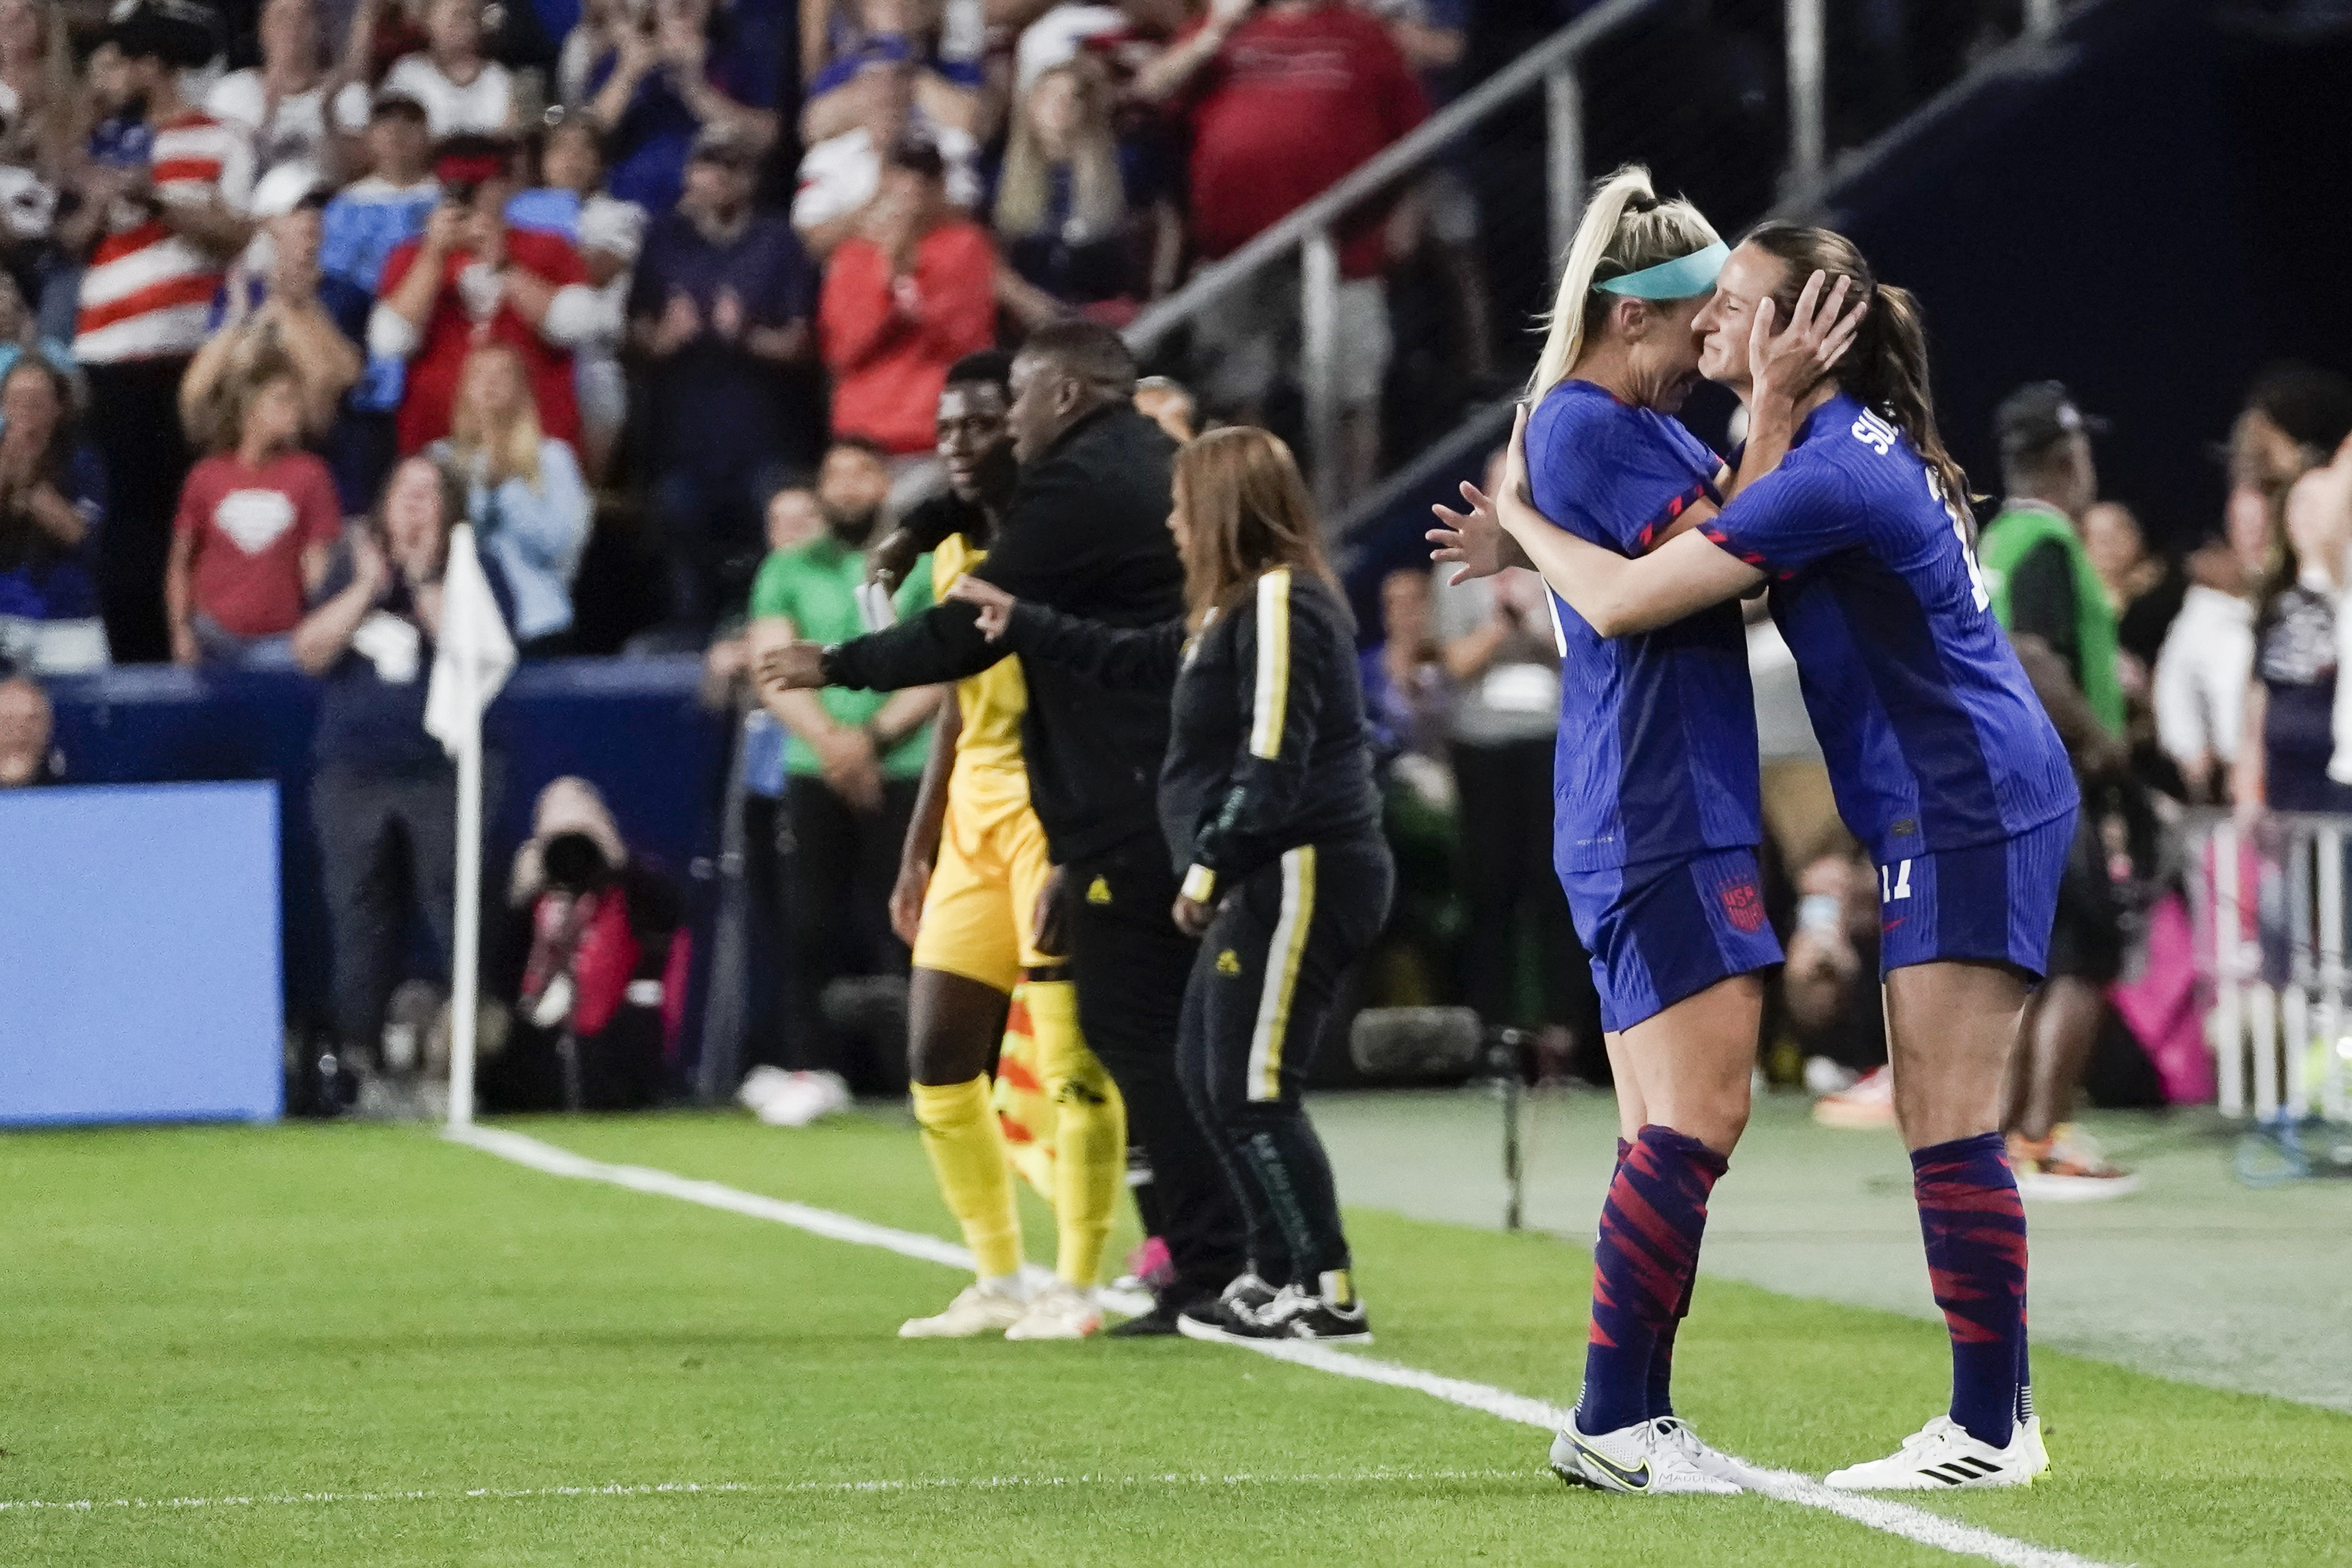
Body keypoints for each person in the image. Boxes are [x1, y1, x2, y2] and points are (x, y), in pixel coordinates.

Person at [1440, 220, 2074, 1491]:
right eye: (1708, 302)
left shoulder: (1830, 469)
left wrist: (1522, 519)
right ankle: (1988, 1415)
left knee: (1944, 1120)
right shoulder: (1834, 449)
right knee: (1927, 1115)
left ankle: (1986, 1432)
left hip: (1959, 801)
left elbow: (1627, 600)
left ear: (1798, 333)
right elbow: (1712, 527)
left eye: (1736, 304)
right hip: (1951, 795)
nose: (1712, 321)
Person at [762, 319, 1250, 1335]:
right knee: (1003, 1051)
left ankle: (1151, 1268)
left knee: (1119, 1043)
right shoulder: (1032, 494)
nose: (979, 433)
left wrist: (838, 663)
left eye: (1000, 412)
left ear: (1054, 404)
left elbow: (965, 640)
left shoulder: (1061, 502)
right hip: (1039, 800)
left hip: (1092, 794)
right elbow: (962, 634)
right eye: (958, 421)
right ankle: (1077, 1268)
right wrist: (914, 524)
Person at [1425, 169, 1785, 1495]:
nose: (1705, 357)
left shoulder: (1585, 424)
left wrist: (1522, 541)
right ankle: (1608, 1413)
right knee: (1698, 1116)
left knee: (1664, 1127)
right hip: (1657, 802)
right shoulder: (1590, 426)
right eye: (1694, 328)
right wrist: (1785, 403)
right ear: (1631, 316)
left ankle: (1633, 1410)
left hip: (1642, 798)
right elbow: (1736, 546)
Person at [949, 424, 1391, 1343]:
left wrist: (1208, 865)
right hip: (1264, 870)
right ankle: (1270, 1276)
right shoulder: (1226, 612)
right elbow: (1139, 658)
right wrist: (1023, 623)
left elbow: (1274, 759)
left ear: (1224, 511)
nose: (1172, 524)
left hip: (1298, 865)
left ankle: (1326, 1286)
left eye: (1185, 507)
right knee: (1206, 1073)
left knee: (1253, 1085)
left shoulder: (1278, 601)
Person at [854, 350, 1132, 1341]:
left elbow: (1103, 695)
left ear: (1022, 427)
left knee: (1067, 1063)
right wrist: (918, 843)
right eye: (946, 429)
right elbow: (954, 708)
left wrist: (1076, 845)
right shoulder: (952, 549)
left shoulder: (1073, 544)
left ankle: (1080, 1283)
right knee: (937, 1060)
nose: (961, 444)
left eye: (981, 423)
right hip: (971, 824)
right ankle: (998, 1275)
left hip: (1051, 818)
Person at [1133, 0, 1428, 500]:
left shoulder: (1359, 33)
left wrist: (1407, 214)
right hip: (1235, 251)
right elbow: (1146, 92)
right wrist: (1215, 33)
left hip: (1343, 249)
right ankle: (1253, 524)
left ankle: (1347, 522)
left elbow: (1413, 133)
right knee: (1235, 398)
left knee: (1349, 398)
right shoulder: (1220, 26)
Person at [745, 438, 944, 1099]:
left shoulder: (923, 560)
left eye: (863, 472)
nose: (849, 487)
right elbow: (771, 667)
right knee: (807, 924)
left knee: (920, 922)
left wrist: (872, 736)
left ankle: (929, 1067)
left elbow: (946, 662)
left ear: (884, 483)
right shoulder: (787, 567)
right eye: (836, 475)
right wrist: (833, 739)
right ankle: (812, 1068)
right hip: (812, 765)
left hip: (909, 762)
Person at [294, 455, 499, 1080]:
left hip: (442, 770)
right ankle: (358, 1056)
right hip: (353, 771)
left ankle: (471, 1061)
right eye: (404, 491)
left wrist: (421, 576)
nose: (414, 504)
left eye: (429, 493)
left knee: (455, 909)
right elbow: (309, 651)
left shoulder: (475, 569)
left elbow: (476, 651)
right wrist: (366, 586)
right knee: (359, 913)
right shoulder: (349, 569)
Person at [68, 0, 257, 665]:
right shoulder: (102, 140)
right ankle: (132, 651)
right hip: (108, 345)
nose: (113, 76)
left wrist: (160, 203)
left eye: (125, 62)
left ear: (155, 65)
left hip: (184, 351)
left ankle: (190, 638)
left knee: (182, 502)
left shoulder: (221, 137)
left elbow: (238, 230)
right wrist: (92, 196)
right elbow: (70, 238)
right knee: (127, 510)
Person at [1430, 446, 1599, 1064]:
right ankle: (1490, 1036)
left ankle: (1564, 1035)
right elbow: (1451, 662)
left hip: (1555, 740)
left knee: (1556, 889)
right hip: (1483, 744)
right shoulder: (1454, 557)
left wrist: (1537, 628)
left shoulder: (1563, 554)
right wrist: (1503, 628)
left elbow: (1591, 644)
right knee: (1490, 890)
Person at [628, 123, 820, 635]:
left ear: (748, 179)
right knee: (675, 511)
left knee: (776, 513)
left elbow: (802, 343)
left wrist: (747, 336)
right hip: (684, 431)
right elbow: (636, 332)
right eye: (705, 165)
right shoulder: (664, 240)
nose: (712, 178)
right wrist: (664, 337)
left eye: (727, 167)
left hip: (762, 431)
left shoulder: (777, 242)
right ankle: (690, 630)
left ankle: (775, 624)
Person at [370, 135, 600, 454]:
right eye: (457, 187)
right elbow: (390, 341)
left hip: (537, 439)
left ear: (505, 186)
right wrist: (433, 256)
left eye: (480, 185)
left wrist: (505, 264)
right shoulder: (411, 257)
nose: (469, 197)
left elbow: (574, 327)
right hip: (437, 439)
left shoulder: (549, 247)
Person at [818, 135, 996, 501]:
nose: (913, 187)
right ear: (884, 182)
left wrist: (911, 284)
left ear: (941, 185)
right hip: (864, 440)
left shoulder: (966, 247)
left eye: (925, 177)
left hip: (934, 435)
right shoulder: (853, 256)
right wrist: (887, 277)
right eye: (903, 174)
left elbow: (967, 343)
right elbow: (843, 351)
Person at [167, 356, 343, 666]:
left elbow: (318, 562)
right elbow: (181, 561)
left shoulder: (311, 475)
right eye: (281, 399)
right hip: (212, 635)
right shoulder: (206, 476)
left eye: (296, 401)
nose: (294, 411)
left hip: (282, 640)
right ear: (249, 407)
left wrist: (321, 625)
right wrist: (180, 629)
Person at [1976, 381, 2123, 738]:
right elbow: (2034, 660)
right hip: (2059, 774)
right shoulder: (2047, 543)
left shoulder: (1997, 539)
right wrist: (2102, 749)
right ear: (2067, 461)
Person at [179, 165, 364, 446]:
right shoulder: (238, 294)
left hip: (323, 447)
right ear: (267, 222)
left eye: (317, 207)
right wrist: (243, 320)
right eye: (297, 208)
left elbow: (346, 375)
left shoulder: (346, 294)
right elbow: (205, 385)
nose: (311, 216)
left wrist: (295, 309)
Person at [427, 342, 590, 654]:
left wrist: (506, 487)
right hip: (459, 623)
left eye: (502, 376)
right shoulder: (440, 460)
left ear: (522, 389)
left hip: (538, 623)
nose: (489, 385)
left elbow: (559, 544)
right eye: (479, 376)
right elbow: (433, 546)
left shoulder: (554, 459)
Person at [991, 56, 1175, 321]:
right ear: (1030, 105)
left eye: (1073, 98)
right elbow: (991, 253)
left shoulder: (1124, 163)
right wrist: (1026, 302)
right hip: (1033, 313)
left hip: (1110, 308)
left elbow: (1165, 221)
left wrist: (1159, 290)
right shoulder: (1000, 173)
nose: (1060, 105)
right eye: (1049, 96)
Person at [519, 112, 645, 481]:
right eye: (560, 149)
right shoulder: (520, 210)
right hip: (526, 357)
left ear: (601, 162)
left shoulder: (622, 215)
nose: (571, 159)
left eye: (583, 150)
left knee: (581, 484)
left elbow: (591, 272)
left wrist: (520, 254)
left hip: (592, 362)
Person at [581, 0, 780, 214]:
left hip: (711, 209)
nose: (679, 3)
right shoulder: (619, 62)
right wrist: (629, 72)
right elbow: (586, 137)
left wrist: (695, 87)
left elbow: (766, 137)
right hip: (627, 207)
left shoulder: (737, 57)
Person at [2234, 465, 2352, 817]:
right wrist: (2248, 781)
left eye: (2320, 504)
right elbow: (2257, 695)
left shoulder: (2342, 593)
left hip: (2333, 766)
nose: (2309, 515)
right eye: (2299, 503)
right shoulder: (2274, 599)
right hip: (2282, 777)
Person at [791, 56, 982, 260]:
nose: (886, 91)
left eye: (897, 79)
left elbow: (966, 214)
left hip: (934, 268)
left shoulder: (947, 146)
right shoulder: (827, 158)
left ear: (912, 88)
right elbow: (811, 239)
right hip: (854, 274)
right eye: (874, 80)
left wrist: (908, 213)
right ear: (857, 91)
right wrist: (871, 206)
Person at [0, 357, 105, 674]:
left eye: (36, 399)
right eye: (16, 399)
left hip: (68, 620)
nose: (25, 409)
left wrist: (29, 479)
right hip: (6, 616)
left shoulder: (82, 461)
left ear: (58, 407)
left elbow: (78, 533)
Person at [204, 0, 374, 181]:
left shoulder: (348, 93)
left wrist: (328, 114)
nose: (293, 28)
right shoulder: (231, 91)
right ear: (263, 29)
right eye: (283, 17)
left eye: (304, 18)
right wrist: (268, 110)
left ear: (321, 29)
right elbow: (220, 168)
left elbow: (358, 173)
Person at [382, 0, 516, 136]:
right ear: (427, 22)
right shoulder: (408, 74)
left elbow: (508, 139)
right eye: (453, 20)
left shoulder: (496, 78)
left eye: (468, 16)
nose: (461, 28)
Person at [0, 666, 56, 785]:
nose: (17, 733)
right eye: (6, 722)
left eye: (31, 721)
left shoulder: (83, 787)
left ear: (48, 727)